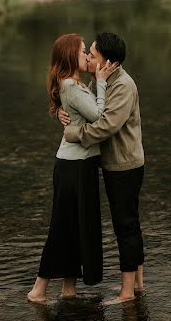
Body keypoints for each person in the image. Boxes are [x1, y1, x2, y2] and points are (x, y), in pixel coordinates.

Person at [27, 33, 118, 303]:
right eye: (82, 52)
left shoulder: (72, 85)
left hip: (81, 163)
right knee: (62, 227)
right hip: (73, 166)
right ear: (70, 56)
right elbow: (98, 116)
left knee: (76, 226)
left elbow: (78, 113)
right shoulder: (70, 86)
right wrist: (101, 83)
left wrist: (62, 112)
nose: (88, 57)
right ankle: (38, 289)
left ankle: (69, 289)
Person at [60, 32, 144, 304]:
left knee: (125, 227)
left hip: (124, 165)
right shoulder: (107, 81)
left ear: (107, 62)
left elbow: (106, 126)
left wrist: (74, 134)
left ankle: (127, 293)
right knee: (130, 224)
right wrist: (61, 111)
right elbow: (83, 105)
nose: (87, 58)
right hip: (115, 163)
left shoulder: (123, 86)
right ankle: (139, 285)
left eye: (91, 55)